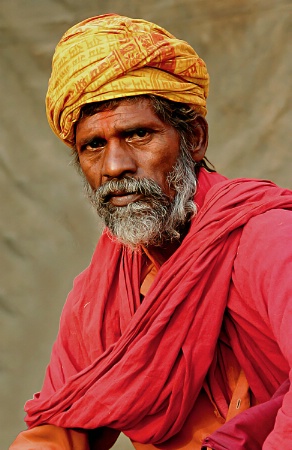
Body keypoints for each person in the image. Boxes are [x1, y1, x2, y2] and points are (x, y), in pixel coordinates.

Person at [10, 14, 292, 450]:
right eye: (93, 145)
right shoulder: (104, 289)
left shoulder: (269, 238)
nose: (114, 167)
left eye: (139, 134)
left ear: (194, 139)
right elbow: (61, 428)